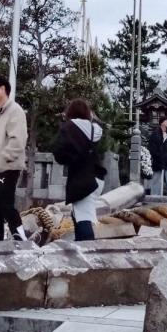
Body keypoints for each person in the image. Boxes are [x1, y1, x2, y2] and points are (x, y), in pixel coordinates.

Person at [53, 99, 108, 241]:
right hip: (96, 177)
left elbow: (58, 152)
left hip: (81, 180)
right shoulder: (94, 129)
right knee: (78, 214)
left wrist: (70, 159)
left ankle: (86, 251)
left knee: (84, 217)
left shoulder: (68, 128)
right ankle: (81, 246)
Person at [0, 75, 29, 241]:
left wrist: (3, 159)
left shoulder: (15, 111)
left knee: (5, 206)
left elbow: (18, 140)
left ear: (2, 89)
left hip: (7, 168)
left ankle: (21, 238)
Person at [148, 116, 167, 197]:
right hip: (157, 161)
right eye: (166, 121)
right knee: (156, 179)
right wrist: (158, 155)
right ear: (161, 123)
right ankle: (154, 196)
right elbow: (151, 147)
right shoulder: (154, 134)